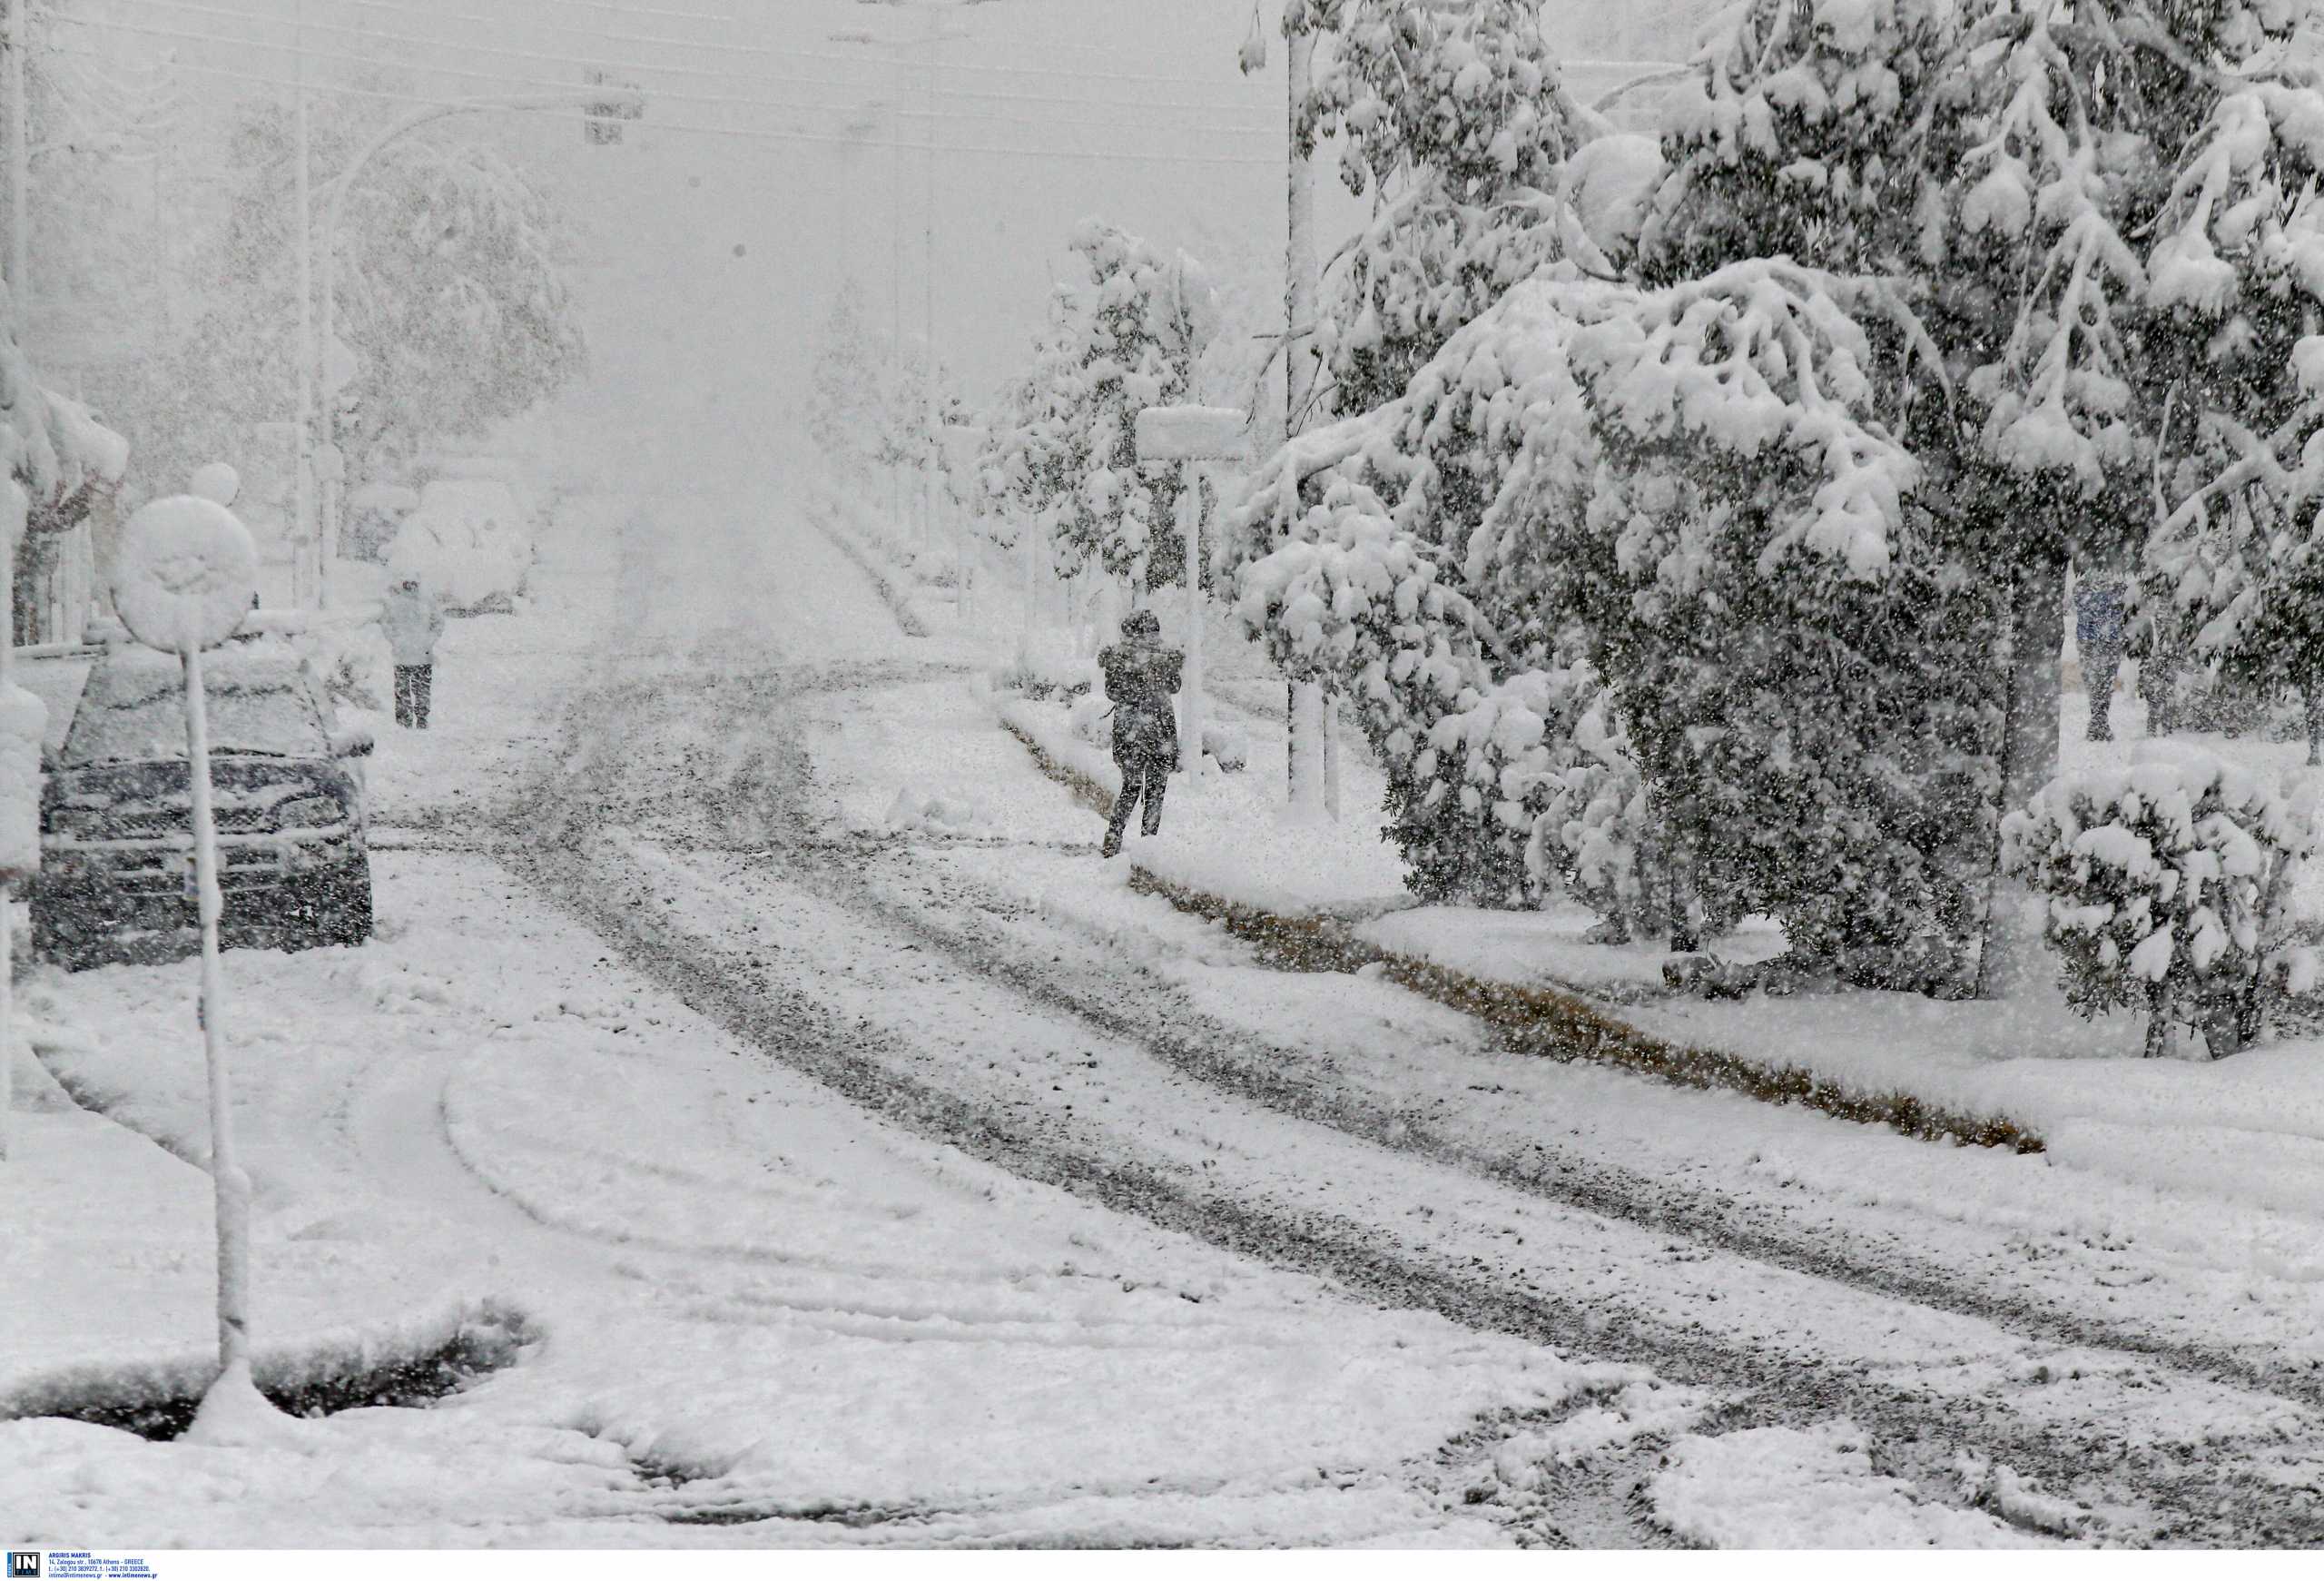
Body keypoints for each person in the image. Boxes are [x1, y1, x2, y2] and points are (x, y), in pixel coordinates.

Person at [1098, 609, 1183, 858]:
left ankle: (1113, 838)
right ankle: (1148, 846)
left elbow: (1112, 692)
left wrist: (1133, 692)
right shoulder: (1164, 657)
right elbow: (1175, 687)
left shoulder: (1117, 657)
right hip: (1160, 729)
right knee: (1156, 790)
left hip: (1129, 730)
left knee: (1131, 786)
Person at [382, 574, 445, 729]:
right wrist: (396, 641)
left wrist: (428, 641)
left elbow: (438, 623)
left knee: (422, 690)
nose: (410, 586)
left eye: (413, 583)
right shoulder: (394, 603)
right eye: (407, 583)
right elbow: (386, 624)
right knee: (402, 690)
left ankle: (422, 719)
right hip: (402, 656)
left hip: (423, 656)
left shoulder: (427, 602)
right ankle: (404, 723)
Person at [2075, 571, 2127, 742]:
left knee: (2098, 682)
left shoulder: (2083, 588)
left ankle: (2098, 720)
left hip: (2097, 641)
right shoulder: (2117, 587)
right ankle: (2099, 720)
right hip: (2101, 641)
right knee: (2101, 682)